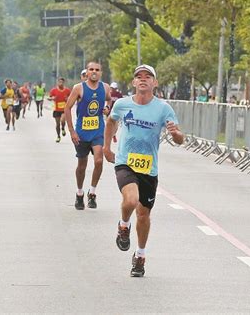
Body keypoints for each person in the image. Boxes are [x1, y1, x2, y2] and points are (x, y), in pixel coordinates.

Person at [103, 64, 184, 277]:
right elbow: (111, 122)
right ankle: (123, 226)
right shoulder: (122, 104)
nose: (143, 79)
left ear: (154, 83)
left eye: (148, 77)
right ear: (133, 82)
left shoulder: (163, 108)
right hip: (125, 162)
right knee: (130, 200)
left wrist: (176, 133)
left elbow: (179, 139)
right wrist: (106, 147)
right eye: (139, 77)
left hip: (149, 167)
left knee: (143, 215)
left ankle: (140, 256)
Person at [65, 62, 111, 210]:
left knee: (99, 161)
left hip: (98, 131)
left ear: (101, 72)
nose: (94, 72)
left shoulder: (105, 87)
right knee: (82, 165)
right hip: (82, 133)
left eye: (97, 70)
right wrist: (72, 131)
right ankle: (79, 193)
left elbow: (109, 99)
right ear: (87, 72)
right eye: (91, 69)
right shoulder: (79, 88)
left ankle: (92, 192)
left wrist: (107, 108)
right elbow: (67, 107)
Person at [49, 77, 71, 143]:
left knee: (62, 120)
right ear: (57, 82)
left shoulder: (67, 90)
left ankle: (63, 128)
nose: (60, 83)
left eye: (62, 82)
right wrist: (53, 98)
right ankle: (58, 136)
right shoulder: (54, 90)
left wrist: (67, 99)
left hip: (64, 109)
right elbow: (49, 97)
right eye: (59, 82)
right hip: (56, 109)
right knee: (57, 124)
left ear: (64, 83)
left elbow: (71, 98)